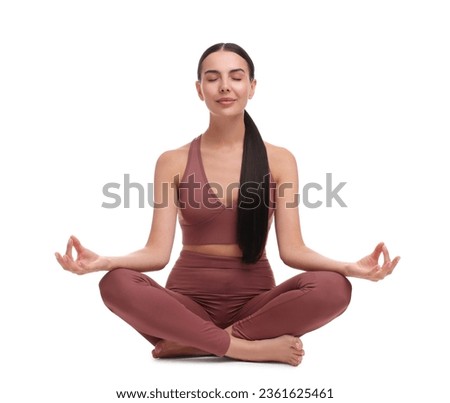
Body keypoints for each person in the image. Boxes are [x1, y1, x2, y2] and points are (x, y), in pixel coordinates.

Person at [55, 43, 400, 367]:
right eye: (213, 77)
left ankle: (195, 344)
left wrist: (349, 267)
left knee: (334, 287)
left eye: (236, 77)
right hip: (185, 307)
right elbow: (156, 253)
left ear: (252, 87)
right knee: (115, 283)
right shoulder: (172, 161)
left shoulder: (279, 160)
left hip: (255, 310)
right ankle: (245, 349)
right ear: (198, 89)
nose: (224, 86)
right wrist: (104, 262)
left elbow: (293, 250)